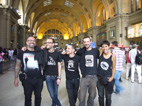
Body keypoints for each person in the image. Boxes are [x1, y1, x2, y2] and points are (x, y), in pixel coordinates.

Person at [14, 36, 44, 106]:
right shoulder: (21, 52)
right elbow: (17, 66)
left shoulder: (39, 52)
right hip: (27, 79)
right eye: (29, 40)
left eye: (33, 40)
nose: (31, 42)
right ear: (26, 42)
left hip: (38, 79)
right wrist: (16, 78)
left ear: (35, 43)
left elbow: (49, 49)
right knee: (27, 97)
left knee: (38, 97)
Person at [76, 36, 99, 106]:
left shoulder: (95, 51)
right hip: (84, 76)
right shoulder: (82, 52)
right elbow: (74, 56)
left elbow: (102, 58)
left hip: (94, 77)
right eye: (85, 42)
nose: (86, 43)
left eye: (87, 41)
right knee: (81, 96)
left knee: (92, 96)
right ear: (83, 43)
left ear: (90, 42)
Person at [43, 38, 62, 106]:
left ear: (53, 44)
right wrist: (25, 47)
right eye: (46, 42)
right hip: (48, 77)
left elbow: (59, 65)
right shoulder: (44, 52)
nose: (47, 44)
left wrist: (59, 77)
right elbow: (35, 49)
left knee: (55, 94)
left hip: (56, 76)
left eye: (49, 42)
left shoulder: (57, 54)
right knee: (52, 95)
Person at [97, 40, 116, 106]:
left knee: (108, 97)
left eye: (106, 46)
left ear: (109, 47)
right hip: (100, 78)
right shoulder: (100, 53)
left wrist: (112, 77)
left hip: (108, 78)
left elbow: (113, 67)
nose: (105, 48)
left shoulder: (113, 56)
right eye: (103, 47)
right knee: (100, 96)